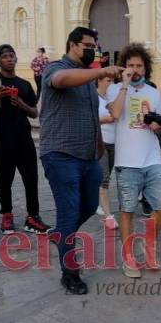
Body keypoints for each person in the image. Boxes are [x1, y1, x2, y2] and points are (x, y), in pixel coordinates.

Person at [39, 27, 122, 295]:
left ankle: (61, 234)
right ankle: (70, 273)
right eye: (88, 46)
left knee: (87, 206)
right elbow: (61, 80)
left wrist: (98, 148)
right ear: (73, 45)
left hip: (88, 158)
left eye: (94, 47)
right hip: (61, 156)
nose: (93, 51)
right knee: (68, 212)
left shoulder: (87, 81)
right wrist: (100, 71)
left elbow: (91, 115)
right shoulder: (56, 68)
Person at [107, 44, 161, 278]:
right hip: (127, 162)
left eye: (139, 65)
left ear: (146, 68)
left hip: (152, 158)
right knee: (127, 210)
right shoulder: (115, 89)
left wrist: (158, 126)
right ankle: (128, 258)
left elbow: (159, 121)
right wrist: (124, 85)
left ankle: (148, 241)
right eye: (131, 65)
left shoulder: (153, 92)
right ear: (125, 67)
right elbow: (114, 114)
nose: (135, 69)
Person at [0, 44, 50, 235]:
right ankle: (6, 215)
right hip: (2, 139)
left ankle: (33, 217)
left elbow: (34, 113)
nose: (9, 59)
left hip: (23, 138)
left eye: (12, 56)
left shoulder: (24, 84)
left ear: (16, 59)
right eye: (5, 56)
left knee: (31, 178)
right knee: (4, 179)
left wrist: (21, 104)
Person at [96, 74, 118, 229]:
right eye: (108, 80)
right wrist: (106, 119)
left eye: (113, 81)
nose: (111, 83)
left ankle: (96, 202)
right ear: (99, 80)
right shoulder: (93, 97)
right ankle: (108, 216)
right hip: (100, 141)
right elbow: (89, 118)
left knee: (107, 175)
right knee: (104, 179)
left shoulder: (115, 97)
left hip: (115, 142)